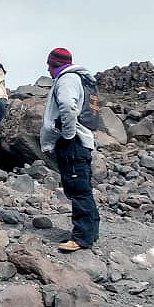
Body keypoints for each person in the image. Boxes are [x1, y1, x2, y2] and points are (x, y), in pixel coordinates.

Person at [39, 47, 100, 252]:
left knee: (77, 189)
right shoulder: (80, 79)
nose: (48, 69)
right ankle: (91, 232)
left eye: (49, 64)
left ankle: (82, 238)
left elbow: (67, 105)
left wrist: (67, 134)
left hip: (72, 143)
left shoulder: (67, 79)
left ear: (54, 64)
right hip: (81, 142)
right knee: (82, 187)